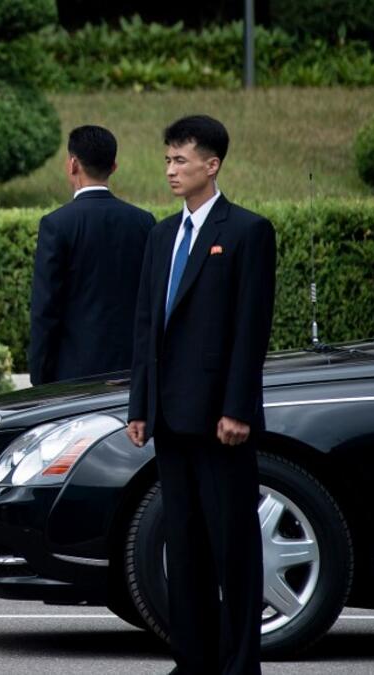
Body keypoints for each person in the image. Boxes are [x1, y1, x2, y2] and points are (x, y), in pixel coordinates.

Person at [126, 115, 276, 675]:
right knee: (184, 550)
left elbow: (249, 328)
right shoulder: (162, 234)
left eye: (181, 160)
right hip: (168, 418)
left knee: (232, 548)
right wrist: (140, 406)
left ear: (211, 166)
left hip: (220, 420)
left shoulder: (247, 231)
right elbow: (147, 326)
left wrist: (238, 407)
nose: (171, 170)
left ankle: (240, 665)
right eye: (167, 160)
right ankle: (191, 662)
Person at [29, 125, 155, 385]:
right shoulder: (143, 222)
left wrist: (40, 376)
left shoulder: (56, 223)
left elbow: (45, 308)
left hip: (75, 374)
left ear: (72, 164)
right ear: (114, 166)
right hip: (132, 371)